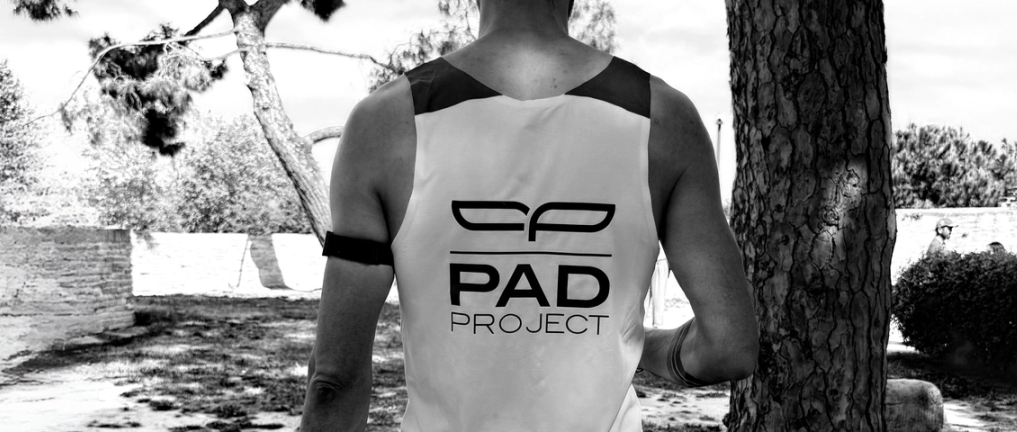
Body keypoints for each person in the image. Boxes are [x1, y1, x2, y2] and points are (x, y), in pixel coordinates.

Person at [300, 1, 759, 430]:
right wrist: (642, 346)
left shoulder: (386, 121)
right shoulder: (664, 119)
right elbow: (728, 347)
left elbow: (333, 381)